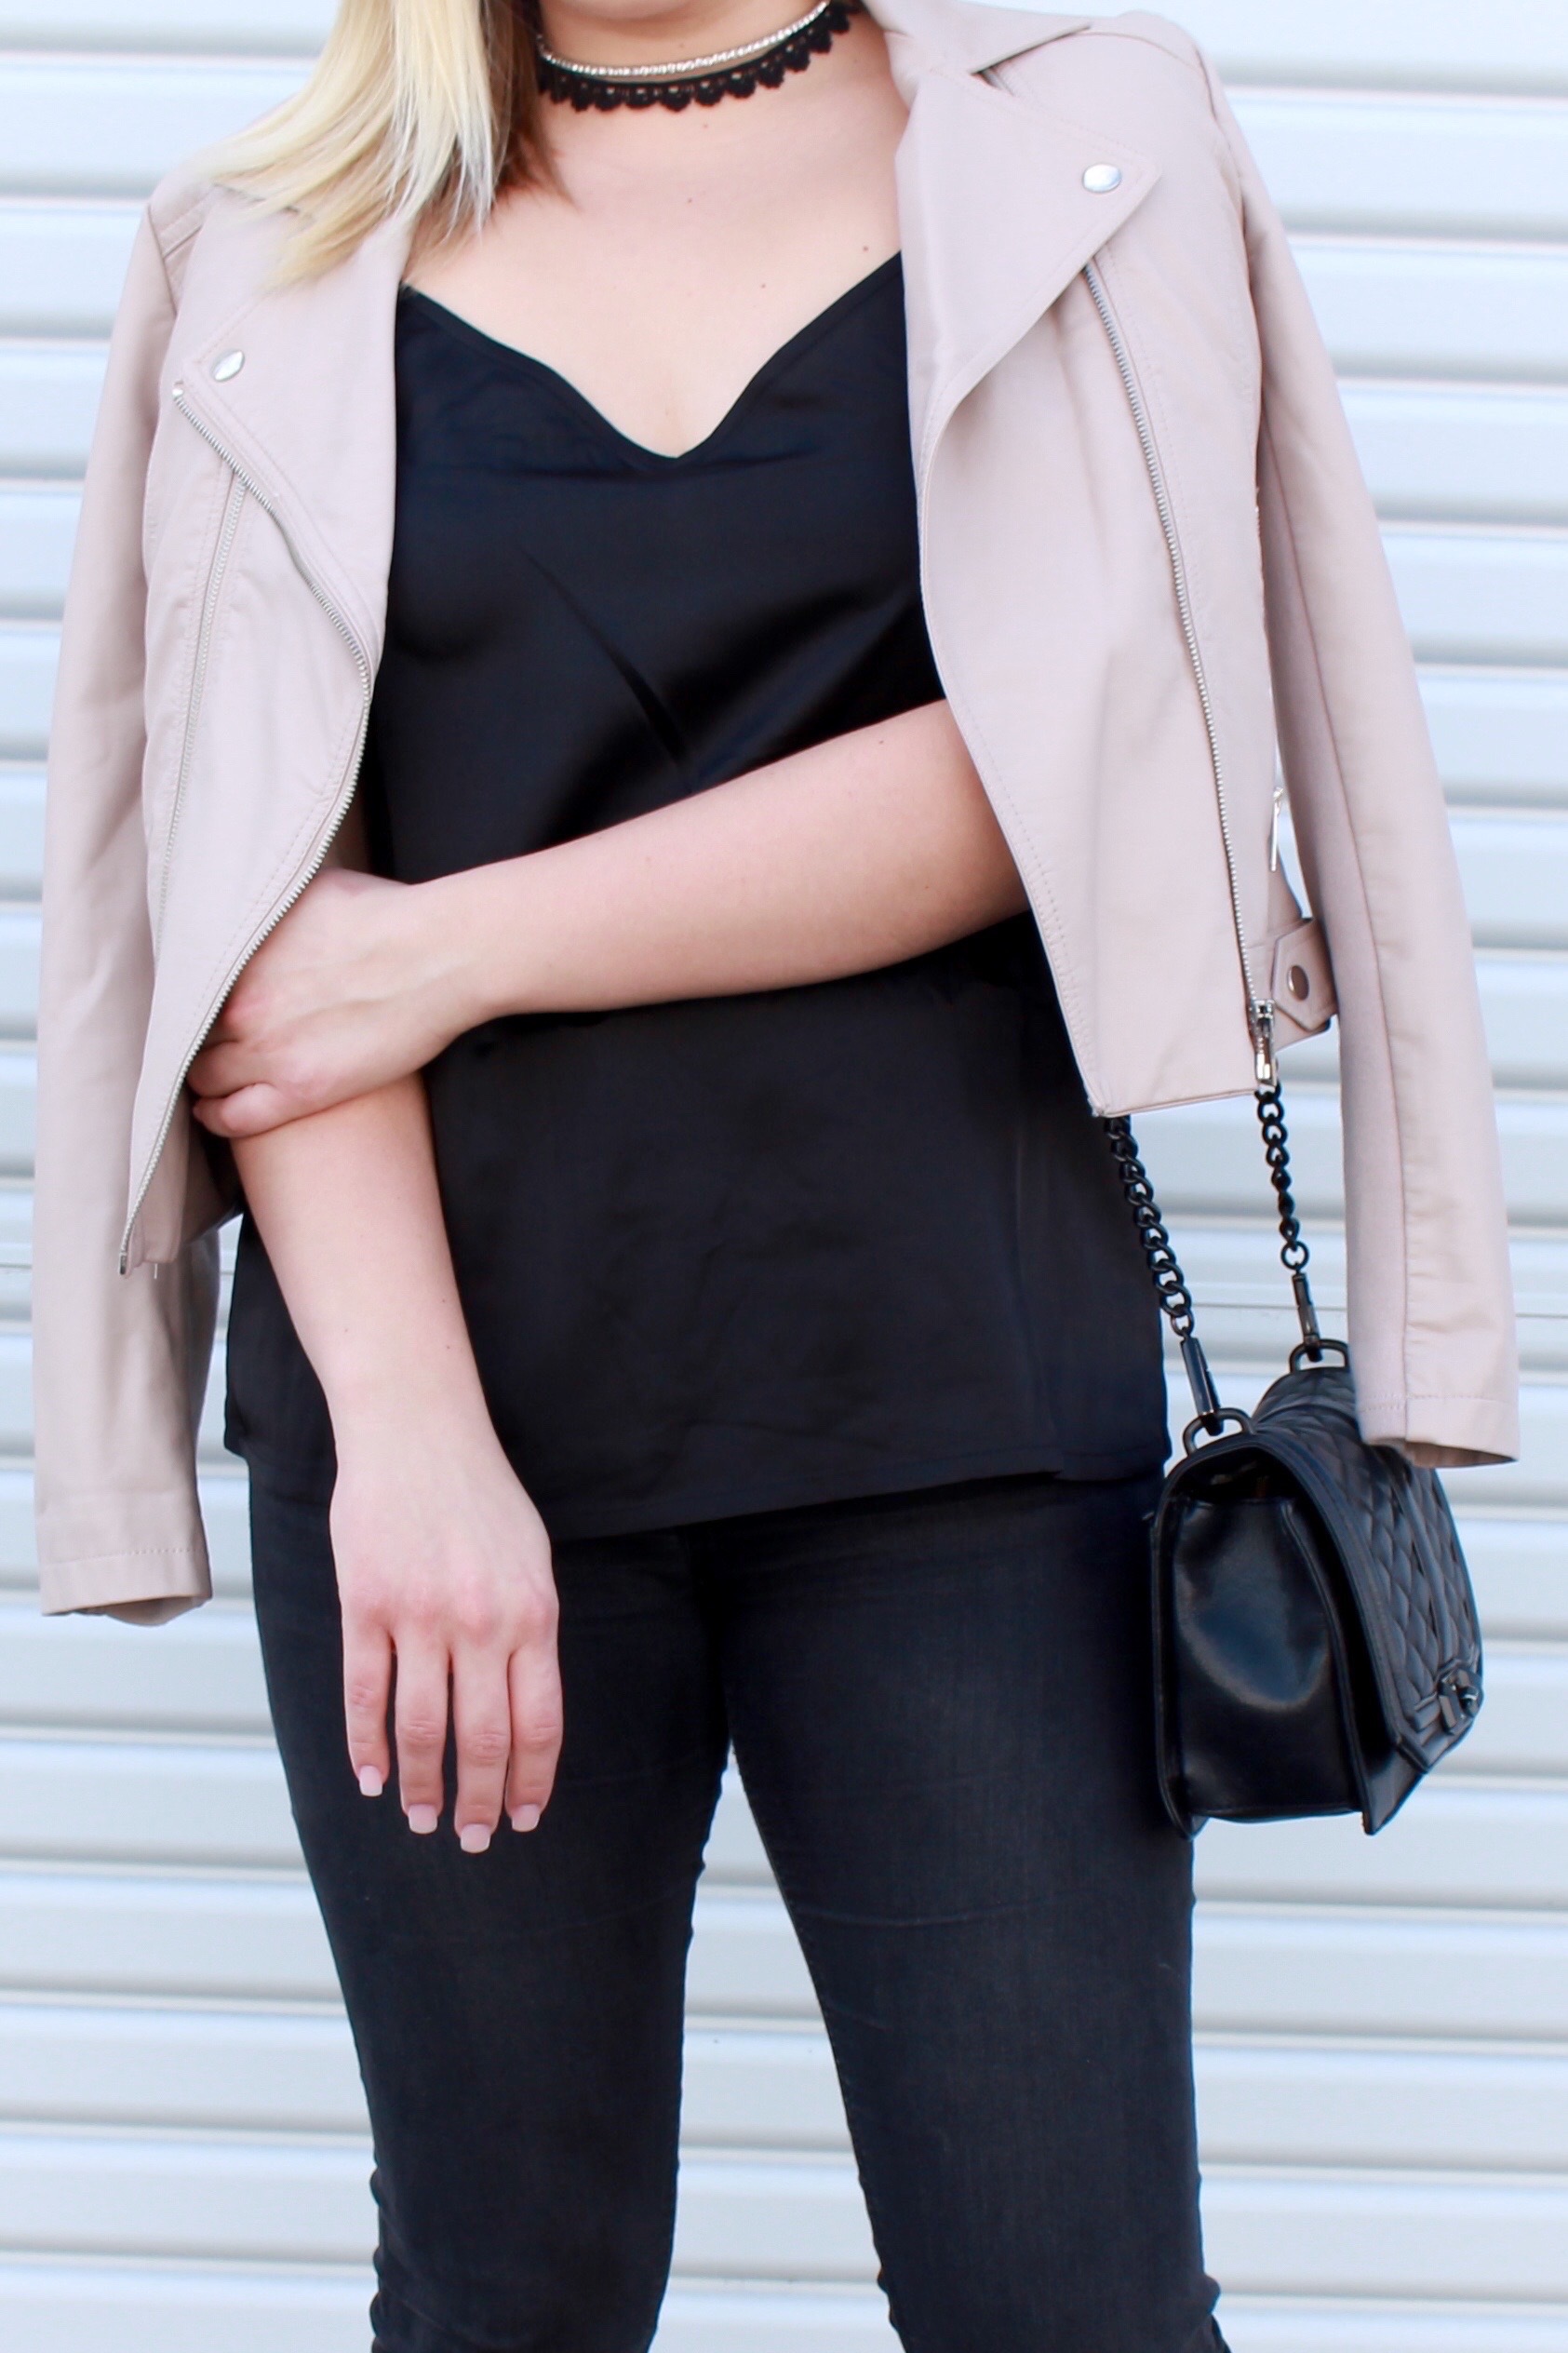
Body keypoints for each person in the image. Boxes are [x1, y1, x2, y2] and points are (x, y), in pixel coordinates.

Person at [34, 0, 1517, 2346]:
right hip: (439, 1444)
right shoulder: (265, 242)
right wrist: (410, 1442)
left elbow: (1105, 754)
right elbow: (252, 936)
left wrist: (455, 948)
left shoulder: (1084, 148)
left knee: (1073, 2307)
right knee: (503, 2298)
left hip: (966, 1427)